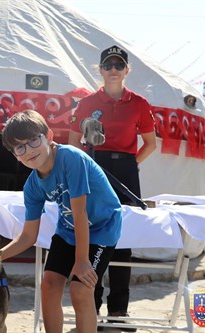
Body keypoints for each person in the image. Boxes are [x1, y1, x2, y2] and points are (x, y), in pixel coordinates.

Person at [0, 110, 122, 333]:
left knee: (81, 289)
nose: (29, 150)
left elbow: (80, 213)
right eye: (20, 147)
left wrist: (82, 260)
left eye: (33, 140)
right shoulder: (32, 186)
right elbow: (28, 236)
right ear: (15, 155)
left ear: (49, 136)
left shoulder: (70, 158)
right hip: (68, 230)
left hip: (102, 228)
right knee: (49, 285)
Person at [68, 45, 156, 331]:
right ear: (101, 70)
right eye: (109, 65)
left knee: (123, 242)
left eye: (119, 65)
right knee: (93, 238)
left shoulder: (139, 103)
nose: (114, 70)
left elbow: (151, 143)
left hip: (126, 170)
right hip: (95, 168)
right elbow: (72, 142)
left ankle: (119, 312)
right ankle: (91, 309)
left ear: (127, 70)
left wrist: (130, 166)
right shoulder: (86, 102)